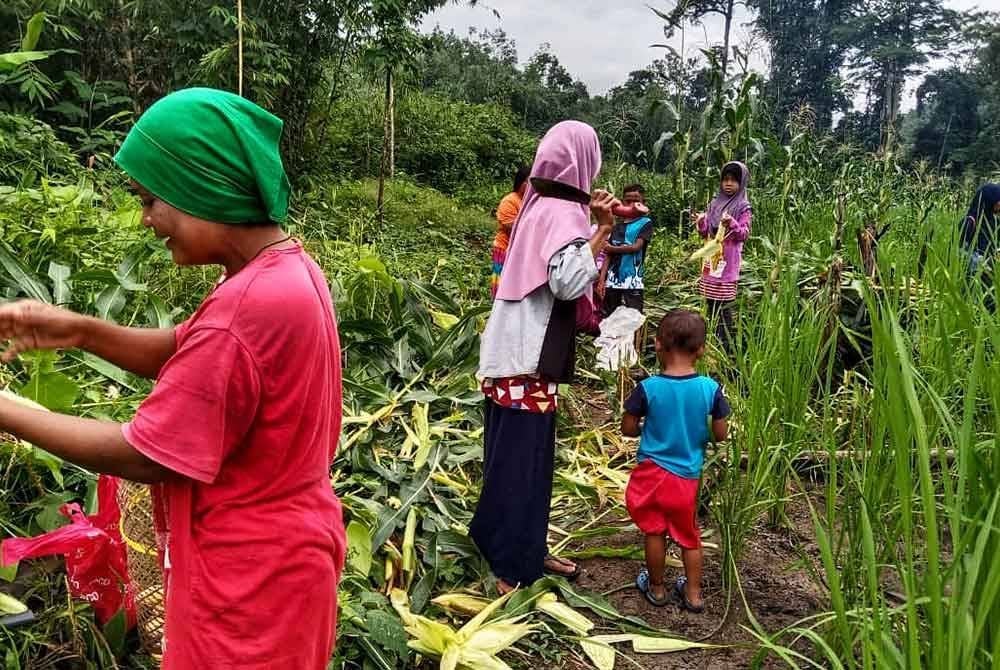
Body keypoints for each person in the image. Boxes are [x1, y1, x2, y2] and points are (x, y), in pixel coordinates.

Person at [0, 88, 345, 669]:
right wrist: (80, 330)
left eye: (151, 200)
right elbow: (183, 348)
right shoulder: (281, 272)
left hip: (246, 583)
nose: (146, 220)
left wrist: (8, 411)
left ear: (201, 187)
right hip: (287, 559)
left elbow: (147, 454)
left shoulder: (246, 308)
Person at [473, 120, 617, 593]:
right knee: (525, 462)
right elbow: (569, 282)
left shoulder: (538, 203)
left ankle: (513, 545)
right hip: (528, 358)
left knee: (508, 455)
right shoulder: (561, 211)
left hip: (508, 351)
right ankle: (512, 567)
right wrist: (602, 232)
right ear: (584, 160)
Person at [621, 309, 730, 611]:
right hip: (686, 477)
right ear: (701, 350)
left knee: (654, 530)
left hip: (652, 474)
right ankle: (694, 594)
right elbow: (720, 434)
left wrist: (648, 426)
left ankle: (657, 589)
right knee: (688, 535)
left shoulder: (647, 388)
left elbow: (628, 428)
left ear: (657, 344)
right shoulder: (711, 389)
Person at [694, 162, 751, 356]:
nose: (728, 184)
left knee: (724, 307)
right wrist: (701, 222)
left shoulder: (743, 207)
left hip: (727, 264)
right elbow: (706, 233)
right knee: (710, 304)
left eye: (733, 180)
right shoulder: (714, 204)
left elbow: (744, 234)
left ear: (741, 183)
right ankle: (711, 343)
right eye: (725, 180)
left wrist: (732, 223)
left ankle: (725, 348)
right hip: (712, 260)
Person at [599, 184, 653, 317]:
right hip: (612, 281)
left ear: (643, 203)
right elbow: (608, 255)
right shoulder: (616, 226)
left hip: (633, 282)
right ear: (622, 202)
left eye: (636, 201)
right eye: (628, 201)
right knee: (608, 317)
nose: (632, 204)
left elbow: (636, 247)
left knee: (633, 319)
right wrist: (601, 279)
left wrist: (612, 248)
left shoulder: (645, 223)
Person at [490, 165, 531, 298]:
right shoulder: (510, 201)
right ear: (521, 182)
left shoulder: (528, 202)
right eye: (529, 182)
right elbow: (512, 229)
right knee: (501, 286)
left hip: (520, 252)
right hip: (505, 249)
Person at [959, 183, 1000, 308]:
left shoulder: (994, 221)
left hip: (990, 276)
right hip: (975, 277)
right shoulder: (969, 222)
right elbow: (960, 251)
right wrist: (981, 262)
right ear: (989, 199)